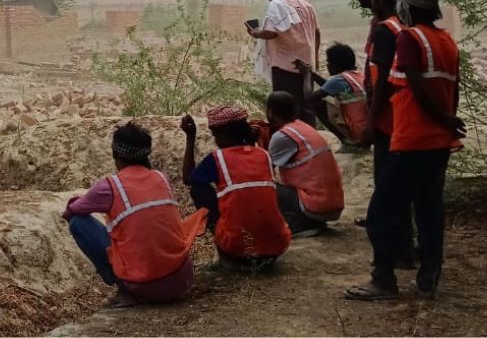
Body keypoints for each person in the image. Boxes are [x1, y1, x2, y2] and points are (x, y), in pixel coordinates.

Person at [347, 0, 465, 301]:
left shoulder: (408, 39)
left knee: (381, 213)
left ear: (405, 4)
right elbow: (451, 89)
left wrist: (440, 118)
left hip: (413, 140)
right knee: (429, 210)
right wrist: (448, 122)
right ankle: (429, 275)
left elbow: (413, 84)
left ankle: (383, 280)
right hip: (439, 142)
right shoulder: (446, 40)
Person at [63, 122, 207, 308]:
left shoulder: (110, 186)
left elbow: (70, 213)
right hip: (181, 280)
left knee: (78, 223)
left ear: (116, 154)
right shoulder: (161, 178)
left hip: (145, 286)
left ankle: (125, 290)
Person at [182, 106, 291, 271]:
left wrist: (190, 138)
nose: (214, 138)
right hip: (277, 247)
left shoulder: (218, 159)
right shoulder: (263, 155)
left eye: (215, 134)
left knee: (198, 188)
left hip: (237, 249)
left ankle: (227, 256)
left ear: (223, 134)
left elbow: (188, 178)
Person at [357, 0, 415, 263]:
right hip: (398, 120)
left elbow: (382, 83)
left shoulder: (385, 30)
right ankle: (405, 251)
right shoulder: (401, 26)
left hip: (387, 121)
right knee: (398, 192)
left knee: (386, 193)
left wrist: (370, 122)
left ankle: (388, 263)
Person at [266, 91, 346, 237]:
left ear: (270, 112)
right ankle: (310, 221)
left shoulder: (282, 136)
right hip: (333, 205)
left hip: (316, 206)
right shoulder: (302, 127)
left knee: (264, 186)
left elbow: (263, 170)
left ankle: (301, 224)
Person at [248, 0, 321, 123]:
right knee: (306, 108)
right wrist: (316, 59)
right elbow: (317, 32)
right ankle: (309, 140)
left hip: (285, 67)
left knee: (286, 112)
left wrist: (255, 33)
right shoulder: (307, 5)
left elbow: (271, 32)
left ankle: (290, 140)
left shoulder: (277, 5)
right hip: (306, 67)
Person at [297, 43, 368, 146]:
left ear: (336, 64)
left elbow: (309, 97)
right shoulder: (357, 75)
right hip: (367, 130)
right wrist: (312, 73)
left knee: (316, 104)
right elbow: (328, 87)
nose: (327, 65)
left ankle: (347, 141)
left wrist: (307, 75)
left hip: (357, 131)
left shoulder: (338, 80)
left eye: (328, 62)